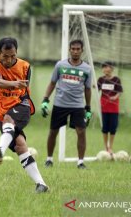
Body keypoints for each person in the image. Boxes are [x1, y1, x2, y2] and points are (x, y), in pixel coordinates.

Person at [0, 37, 49, 193]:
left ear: (16, 53)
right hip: (2, 111)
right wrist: (14, 83)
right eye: (5, 56)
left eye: (13, 55)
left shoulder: (25, 67)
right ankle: (41, 184)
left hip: (21, 105)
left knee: (9, 120)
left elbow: (24, 87)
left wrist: (17, 86)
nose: (9, 59)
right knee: (20, 145)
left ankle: (0, 150)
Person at [41, 39, 92, 169]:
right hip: (60, 104)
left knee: (81, 132)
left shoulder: (87, 69)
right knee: (53, 132)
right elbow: (52, 83)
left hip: (77, 106)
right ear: (69, 50)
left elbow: (88, 89)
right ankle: (49, 159)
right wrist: (45, 100)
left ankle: (80, 162)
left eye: (78, 49)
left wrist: (88, 107)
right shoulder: (60, 65)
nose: (75, 51)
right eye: (73, 49)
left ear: (82, 50)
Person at [97, 61, 123, 154]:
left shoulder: (116, 79)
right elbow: (97, 89)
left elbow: (119, 91)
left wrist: (115, 97)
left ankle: (110, 147)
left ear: (112, 69)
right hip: (104, 107)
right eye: (103, 67)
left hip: (114, 107)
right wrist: (93, 86)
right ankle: (106, 148)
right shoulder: (100, 79)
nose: (105, 69)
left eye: (107, 67)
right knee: (105, 128)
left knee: (113, 127)